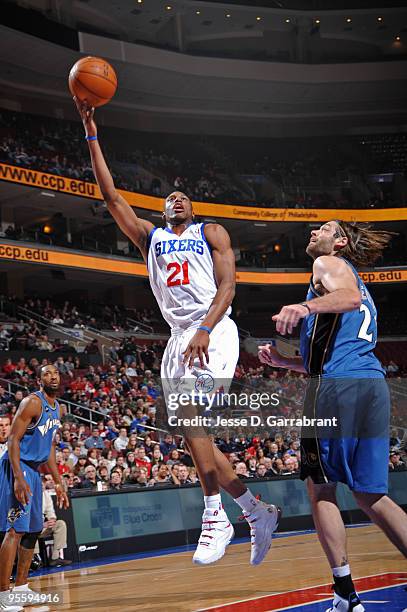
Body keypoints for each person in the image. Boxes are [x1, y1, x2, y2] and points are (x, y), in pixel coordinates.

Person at [75, 98, 280, 567]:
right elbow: (110, 195)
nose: (177, 198)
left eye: (183, 197)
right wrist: (91, 131)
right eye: (169, 197)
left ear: (193, 208)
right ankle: (255, 510)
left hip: (213, 329)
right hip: (176, 338)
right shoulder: (151, 238)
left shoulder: (212, 232)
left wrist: (206, 327)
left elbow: (228, 286)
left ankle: (215, 516)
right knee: (194, 435)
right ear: (163, 210)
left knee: (192, 418)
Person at [259, 220, 407, 612]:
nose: (314, 231)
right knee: (371, 494)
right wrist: (286, 361)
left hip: (336, 388)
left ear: (339, 242)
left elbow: (348, 300)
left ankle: (344, 593)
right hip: (369, 385)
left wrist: (303, 305)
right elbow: (332, 347)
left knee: (321, 487)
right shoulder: (351, 278)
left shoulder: (328, 264)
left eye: (324, 228)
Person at [0, 365, 69, 612]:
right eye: (48, 373)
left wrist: (58, 482)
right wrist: (18, 478)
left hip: (34, 470)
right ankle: (2, 594)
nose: (53, 376)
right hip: (17, 467)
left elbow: (49, 447)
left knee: (33, 529)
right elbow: (12, 440)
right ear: (39, 380)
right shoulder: (31, 403)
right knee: (15, 530)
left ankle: (20, 589)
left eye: (56, 373)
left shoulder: (57, 407)